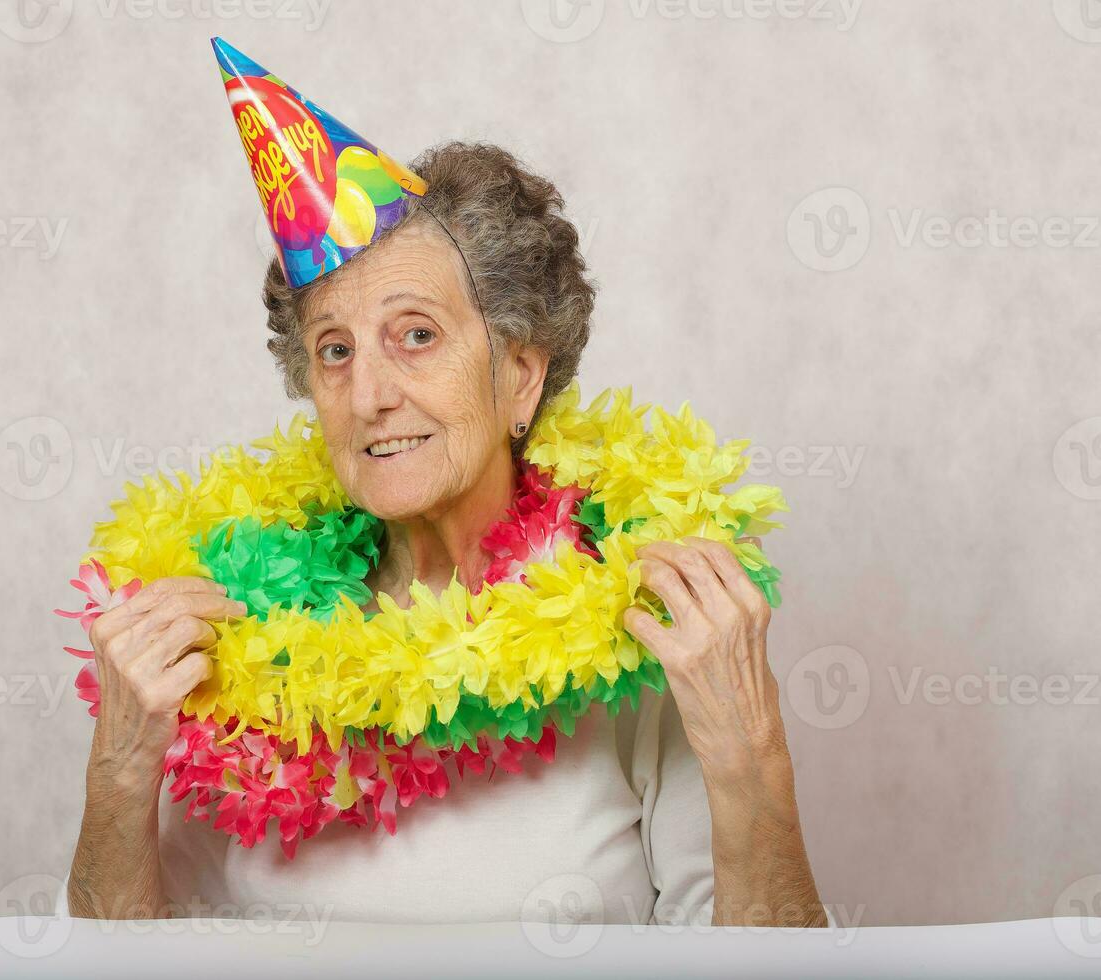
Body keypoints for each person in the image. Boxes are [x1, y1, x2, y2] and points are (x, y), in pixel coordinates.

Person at [58, 38, 825, 928]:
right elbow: (128, 958)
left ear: (521, 376)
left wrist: (753, 753)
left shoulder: (652, 626)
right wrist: (119, 773)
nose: (371, 395)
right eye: (334, 351)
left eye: (416, 335)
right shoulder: (231, 637)